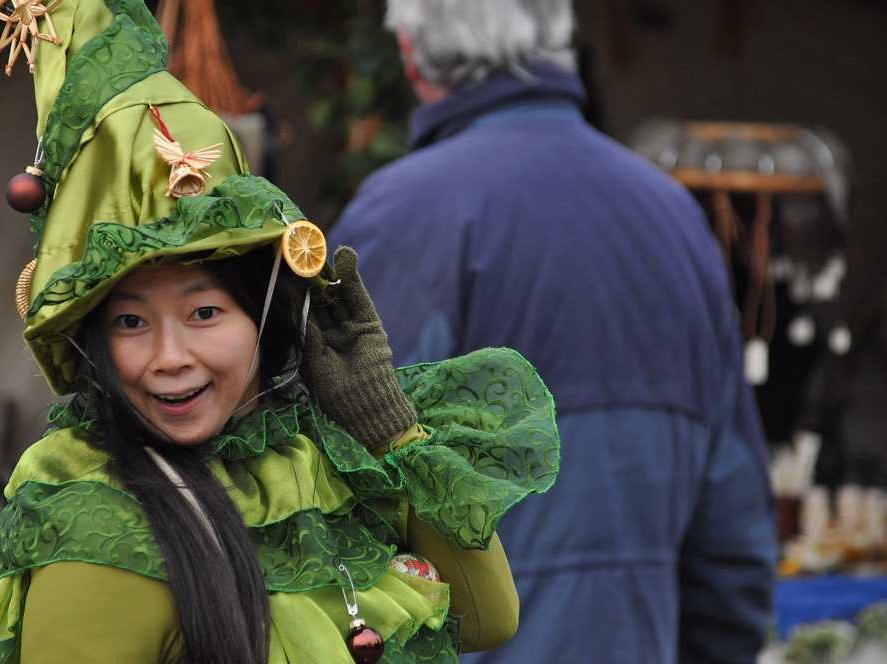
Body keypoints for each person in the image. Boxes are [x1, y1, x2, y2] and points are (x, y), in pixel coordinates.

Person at [0, 1, 561, 662]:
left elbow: (486, 615)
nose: (169, 359)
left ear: (262, 315)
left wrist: (383, 421)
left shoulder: (315, 467)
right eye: (130, 322)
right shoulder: (99, 527)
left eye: (205, 312)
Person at [328, 0, 778, 662]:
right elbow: (732, 529)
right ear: (561, 42)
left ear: (411, 59)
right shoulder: (673, 216)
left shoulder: (404, 216)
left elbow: (343, 493)